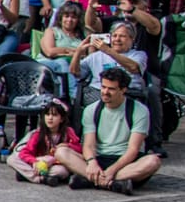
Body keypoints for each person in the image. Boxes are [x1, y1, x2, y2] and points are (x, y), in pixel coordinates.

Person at [53, 65, 159, 194]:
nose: (105, 92)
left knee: (153, 161)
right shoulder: (91, 110)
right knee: (61, 152)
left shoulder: (139, 110)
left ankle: (93, 180)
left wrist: (112, 170)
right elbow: (89, 145)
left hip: (126, 161)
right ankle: (113, 183)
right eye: (103, 87)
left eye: (111, 89)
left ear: (123, 90)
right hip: (100, 158)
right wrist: (92, 163)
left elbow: (133, 149)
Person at [7, 99, 80, 184]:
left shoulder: (68, 132)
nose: (50, 118)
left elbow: (79, 149)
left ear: (62, 119)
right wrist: (34, 161)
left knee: (61, 171)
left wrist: (67, 146)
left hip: (56, 164)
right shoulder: (39, 133)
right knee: (11, 159)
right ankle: (41, 179)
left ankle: (26, 175)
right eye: (47, 114)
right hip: (39, 162)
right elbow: (25, 152)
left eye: (54, 115)